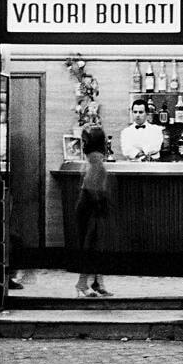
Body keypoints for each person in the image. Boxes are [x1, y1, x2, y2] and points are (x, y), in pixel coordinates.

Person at [74, 124, 113, 299]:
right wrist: (100, 203)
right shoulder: (97, 159)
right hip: (92, 206)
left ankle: (97, 282)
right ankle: (83, 283)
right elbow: (93, 185)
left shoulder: (90, 158)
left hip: (86, 205)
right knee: (92, 245)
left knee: (92, 244)